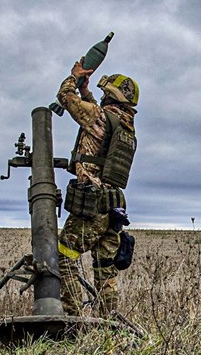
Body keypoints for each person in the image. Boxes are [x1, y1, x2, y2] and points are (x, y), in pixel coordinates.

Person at [54, 57, 139, 317]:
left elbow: (65, 97)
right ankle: (108, 324)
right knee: (105, 268)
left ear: (112, 96)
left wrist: (73, 77)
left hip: (91, 206)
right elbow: (96, 113)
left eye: (105, 94)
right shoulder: (124, 125)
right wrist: (87, 90)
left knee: (63, 257)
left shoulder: (100, 117)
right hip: (113, 207)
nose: (101, 98)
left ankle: (71, 319)